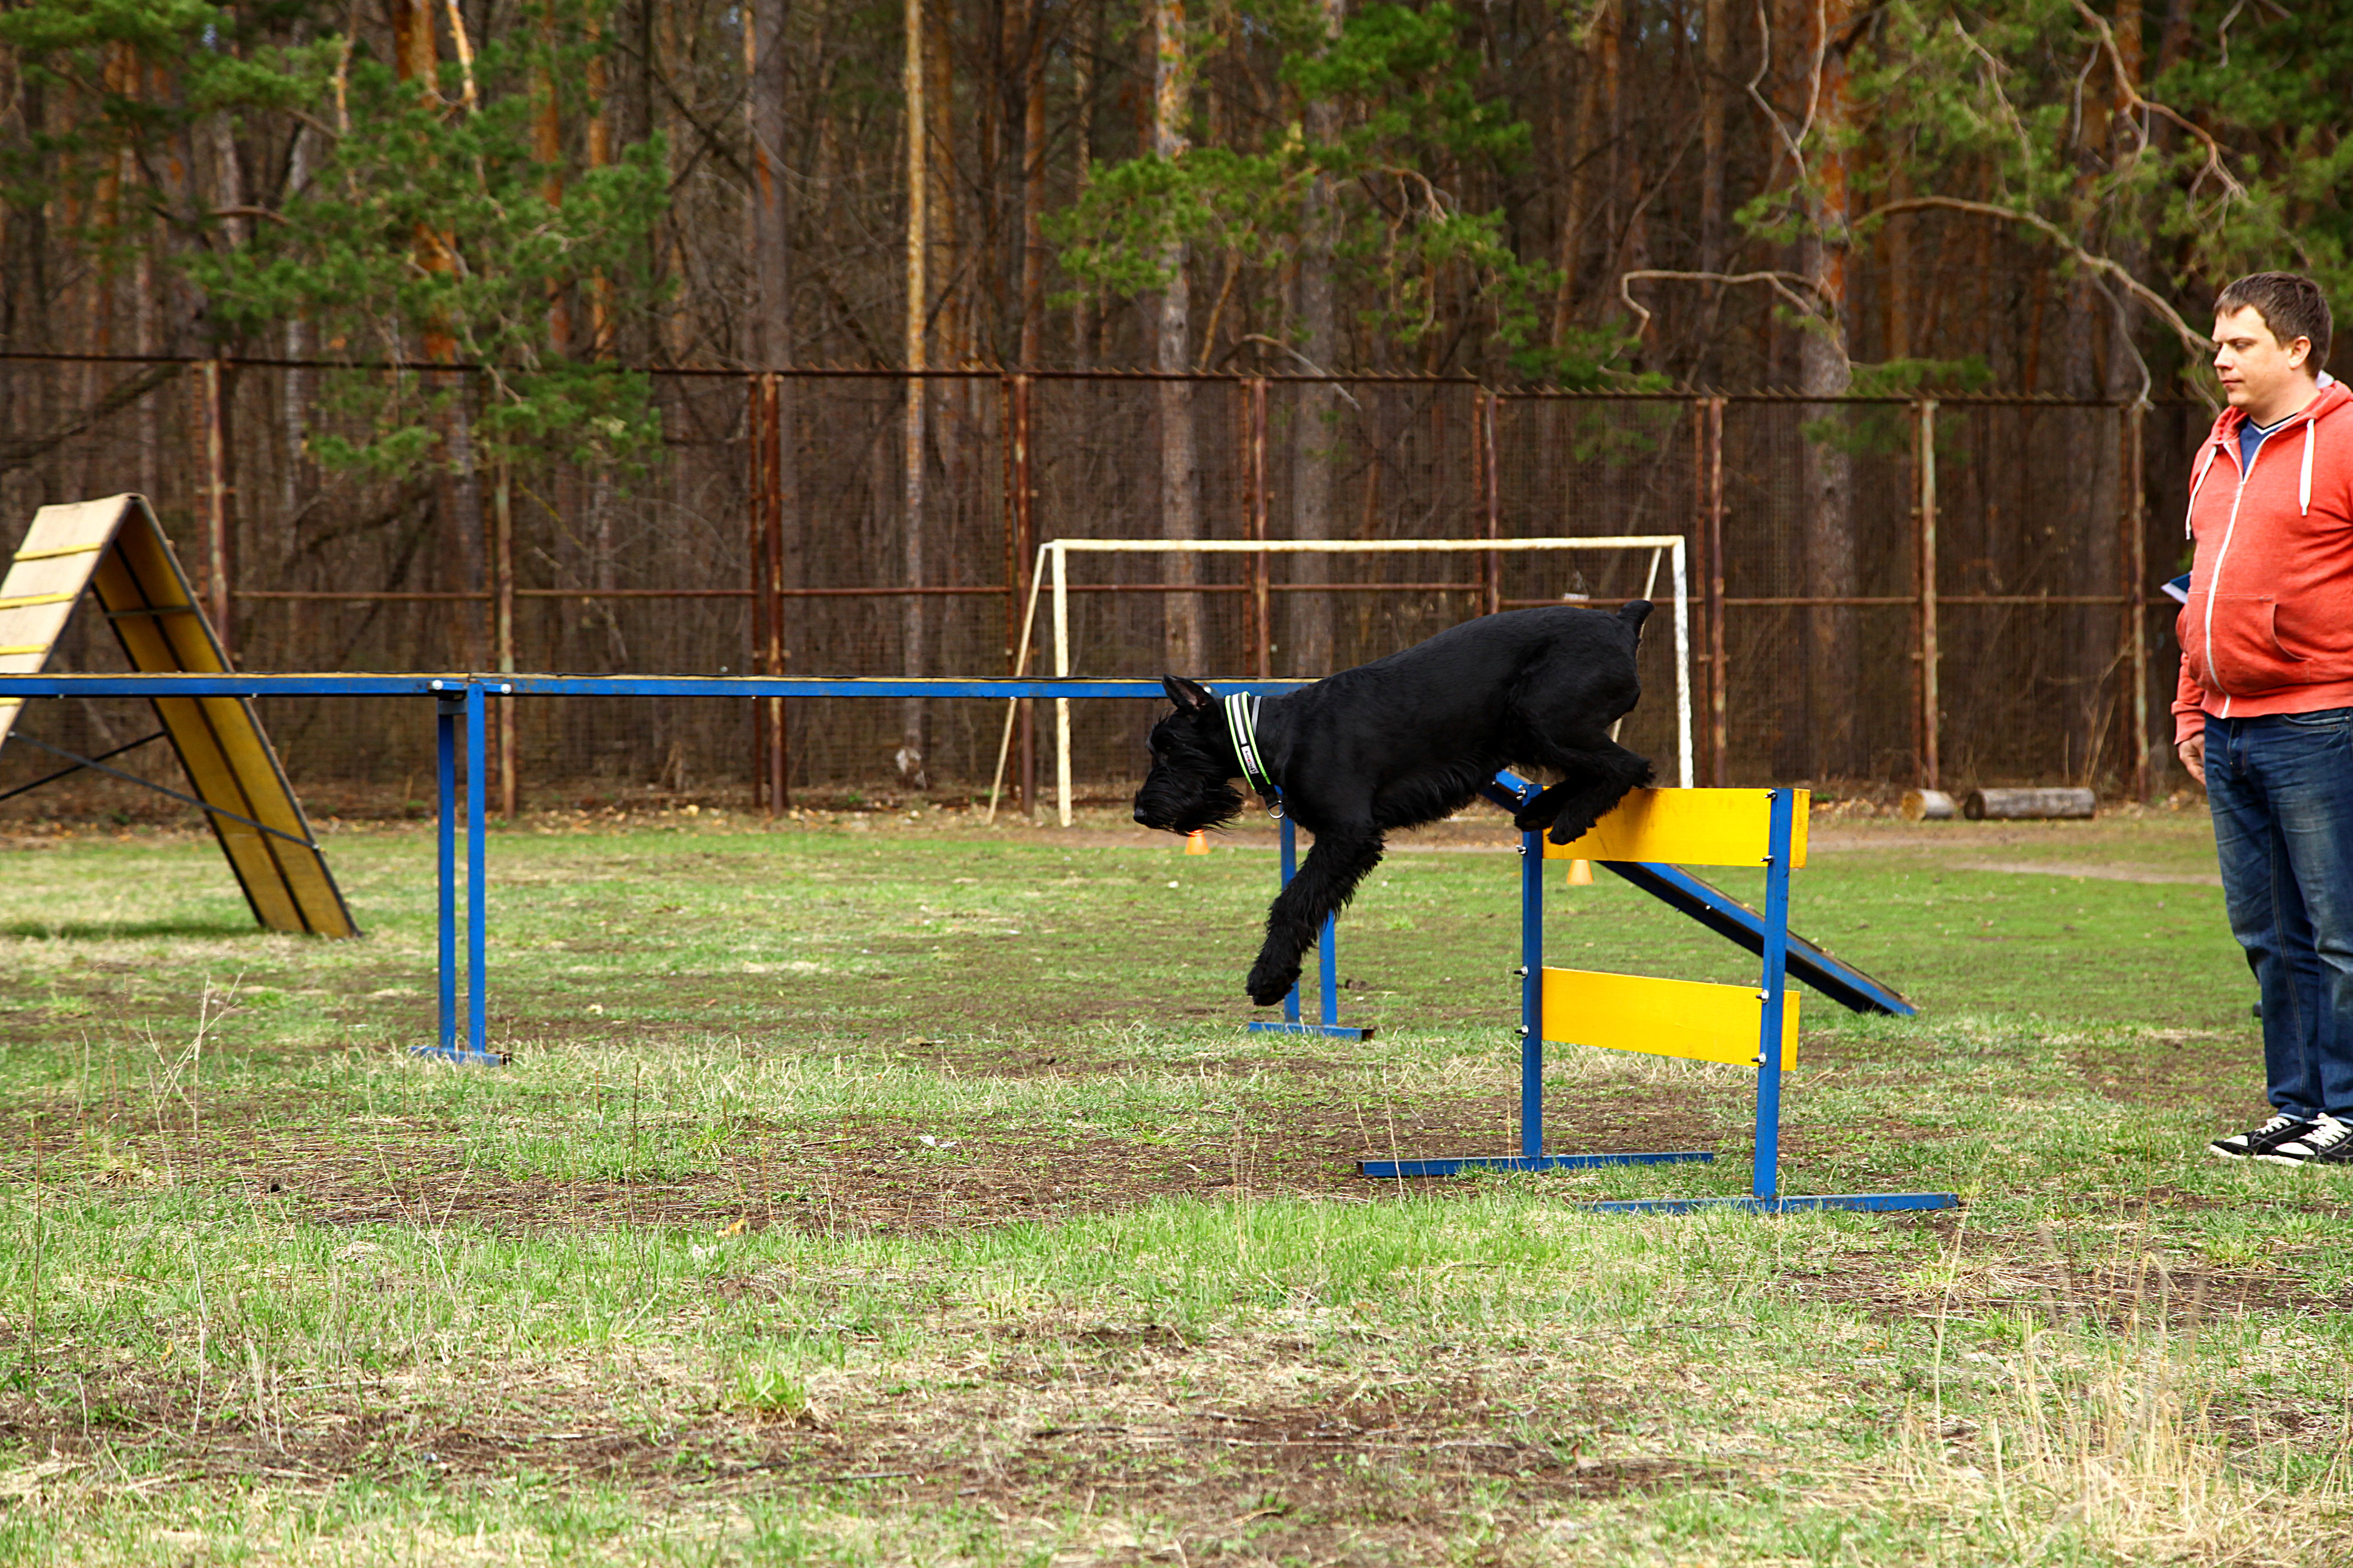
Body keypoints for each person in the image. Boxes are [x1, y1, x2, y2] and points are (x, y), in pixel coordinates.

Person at [2177, 272, 2353, 1166]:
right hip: (2229, 727)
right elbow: (2199, 591)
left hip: (2322, 725)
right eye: (2218, 343)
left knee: (2339, 931)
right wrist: (2189, 708)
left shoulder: (2349, 441)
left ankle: (2349, 1112)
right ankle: (2296, 1105)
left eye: (2240, 344)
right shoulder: (2217, 450)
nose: (2221, 358)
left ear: (2298, 349)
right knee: (2267, 934)